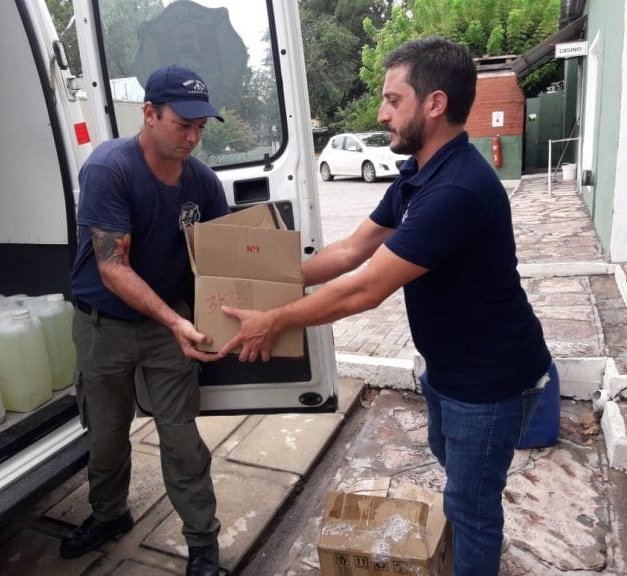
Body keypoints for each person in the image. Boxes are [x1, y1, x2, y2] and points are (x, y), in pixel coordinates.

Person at [218, 38, 555, 575]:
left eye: (393, 100)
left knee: (472, 508)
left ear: (435, 103)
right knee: (453, 468)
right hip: (448, 371)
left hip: (490, 383)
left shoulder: (458, 190)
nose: (382, 114)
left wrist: (274, 320)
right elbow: (352, 251)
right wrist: (266, 282)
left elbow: (364, 290)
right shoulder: (419, 177)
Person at [66, 64, 228, 576]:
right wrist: (175, 321)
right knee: (107, 435)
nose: (193, 138)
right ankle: (109, 515)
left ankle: (202, 542)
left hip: (167, 331)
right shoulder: (109, 169)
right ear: (150, 113)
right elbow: (113, 267)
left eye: (201, 127)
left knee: (181, 440)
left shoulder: (202, 182)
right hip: (103, 326)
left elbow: (221, 260)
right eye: (184, 125)